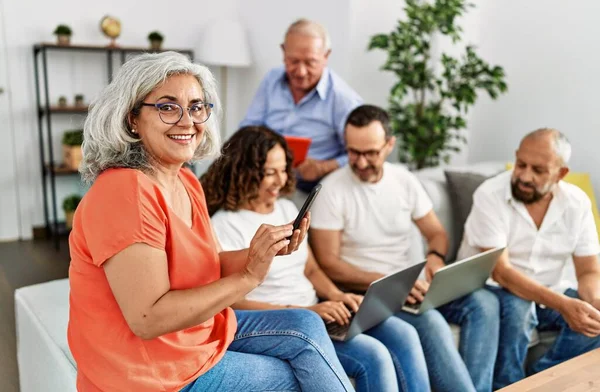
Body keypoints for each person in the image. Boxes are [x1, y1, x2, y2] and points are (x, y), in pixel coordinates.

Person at [67, 51, 354, 392]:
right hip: (149, 372)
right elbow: (147, 318)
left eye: (197, 106)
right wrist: (250, 276)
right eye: (167, 107)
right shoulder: (124, 190)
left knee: (305, 324)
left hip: (193, 337)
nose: (187, 121)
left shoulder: (186, 182)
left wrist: (262, 253)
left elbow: (211, 266)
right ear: (132, 118)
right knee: (294, 377)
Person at [201, 125, 431, 392]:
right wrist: (308, 313)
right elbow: (235, 300)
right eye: (269, 173)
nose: (280, 180)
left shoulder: (286, 208)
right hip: (288, 324)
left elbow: (310, 269)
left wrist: (336, 296)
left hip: (317, 311)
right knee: (375, 356)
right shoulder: (225, 225)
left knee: (402, 333)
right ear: (244, 173)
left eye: (284, 169)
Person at [310, 104, 501, 392]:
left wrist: (435, 258)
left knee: (485, 304)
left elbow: (436, 233)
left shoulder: (403, 180)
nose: (360, 162)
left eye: (370, 153)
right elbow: (329, 263)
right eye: (353, 152)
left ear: (389, 145)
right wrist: (390, 282)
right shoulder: (332, 191)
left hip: (412, 284)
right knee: (432, 322)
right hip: (370, 292)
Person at [459, 128, 600, 389]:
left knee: (597, 321)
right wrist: (565, 305)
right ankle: (508, 385)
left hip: (552, 291)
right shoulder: (490, 195)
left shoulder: (577, 203)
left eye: (538, 170)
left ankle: (538, 381)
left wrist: (593, 301)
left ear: (561, 173)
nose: (525, 176)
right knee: (519, 310)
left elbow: (589, 271)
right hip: (498, 289)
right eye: (521, 164)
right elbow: (501, 272)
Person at [239, 18, 363, 198]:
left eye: (310, 62)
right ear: (283, 52)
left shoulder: (344, 99)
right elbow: (248, 130)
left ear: (326, 56)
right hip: (264, 177)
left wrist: (324, 167)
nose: (301, 71)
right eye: (293, 61)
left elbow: (359, 155)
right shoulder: (271, 80)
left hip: (313, 186)